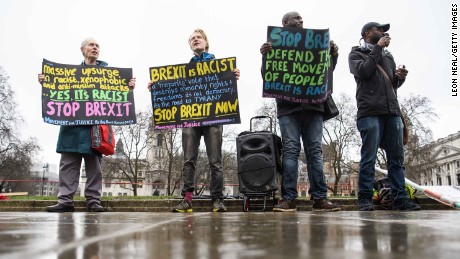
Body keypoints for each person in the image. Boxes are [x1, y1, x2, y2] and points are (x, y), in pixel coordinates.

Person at [38, 37, 136, 212]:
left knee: (95, 167)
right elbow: (55, 90)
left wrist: (127, 86)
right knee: (68, 165)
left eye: (97, 45)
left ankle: (93, 200)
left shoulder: (109, 75)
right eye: (91, 45)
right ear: (82, 49)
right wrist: (47, 82)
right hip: (72, 128)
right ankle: (65, 201)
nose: (95, 48)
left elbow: (119, 95)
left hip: (95, 129)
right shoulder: (68, 75)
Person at [148, 29, 240, 212]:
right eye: (192, 39)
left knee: (216, 160)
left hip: (213, 119)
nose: (195, 40)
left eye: (198, 37)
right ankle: (187, 199)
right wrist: (157, 87)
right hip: (190, 119)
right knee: (188, 159)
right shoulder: (183, 71)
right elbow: (173, 91)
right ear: (190, 45)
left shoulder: (220, 66)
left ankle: (217, 200)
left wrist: (233, 75)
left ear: (206, 42)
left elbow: (226, 88)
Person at [260, 12, 341, 212]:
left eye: (302, 19)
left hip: (313, 107)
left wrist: (333, 55)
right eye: (296, 19)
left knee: (315, 151)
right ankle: (288, 198)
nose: (301, 21)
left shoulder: (314, 44)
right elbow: (268, 76)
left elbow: (325, 74)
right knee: (290, 151)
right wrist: (265, 57)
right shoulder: (275, 46)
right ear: (285, 24)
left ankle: (320, 198)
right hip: (288, 109)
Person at [348, 22, 420, 211]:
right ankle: (364, 199)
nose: (383, 33)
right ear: (366, 33)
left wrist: (399, 77)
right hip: (370, 113)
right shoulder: (356, 54)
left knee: (396, 159)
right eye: (379, 30)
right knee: (368, 158)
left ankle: (399, 198)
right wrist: (378, 48)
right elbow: (364, 72)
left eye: (383, 31)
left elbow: (391, 86)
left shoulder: (388, 57)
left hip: (392, 113)